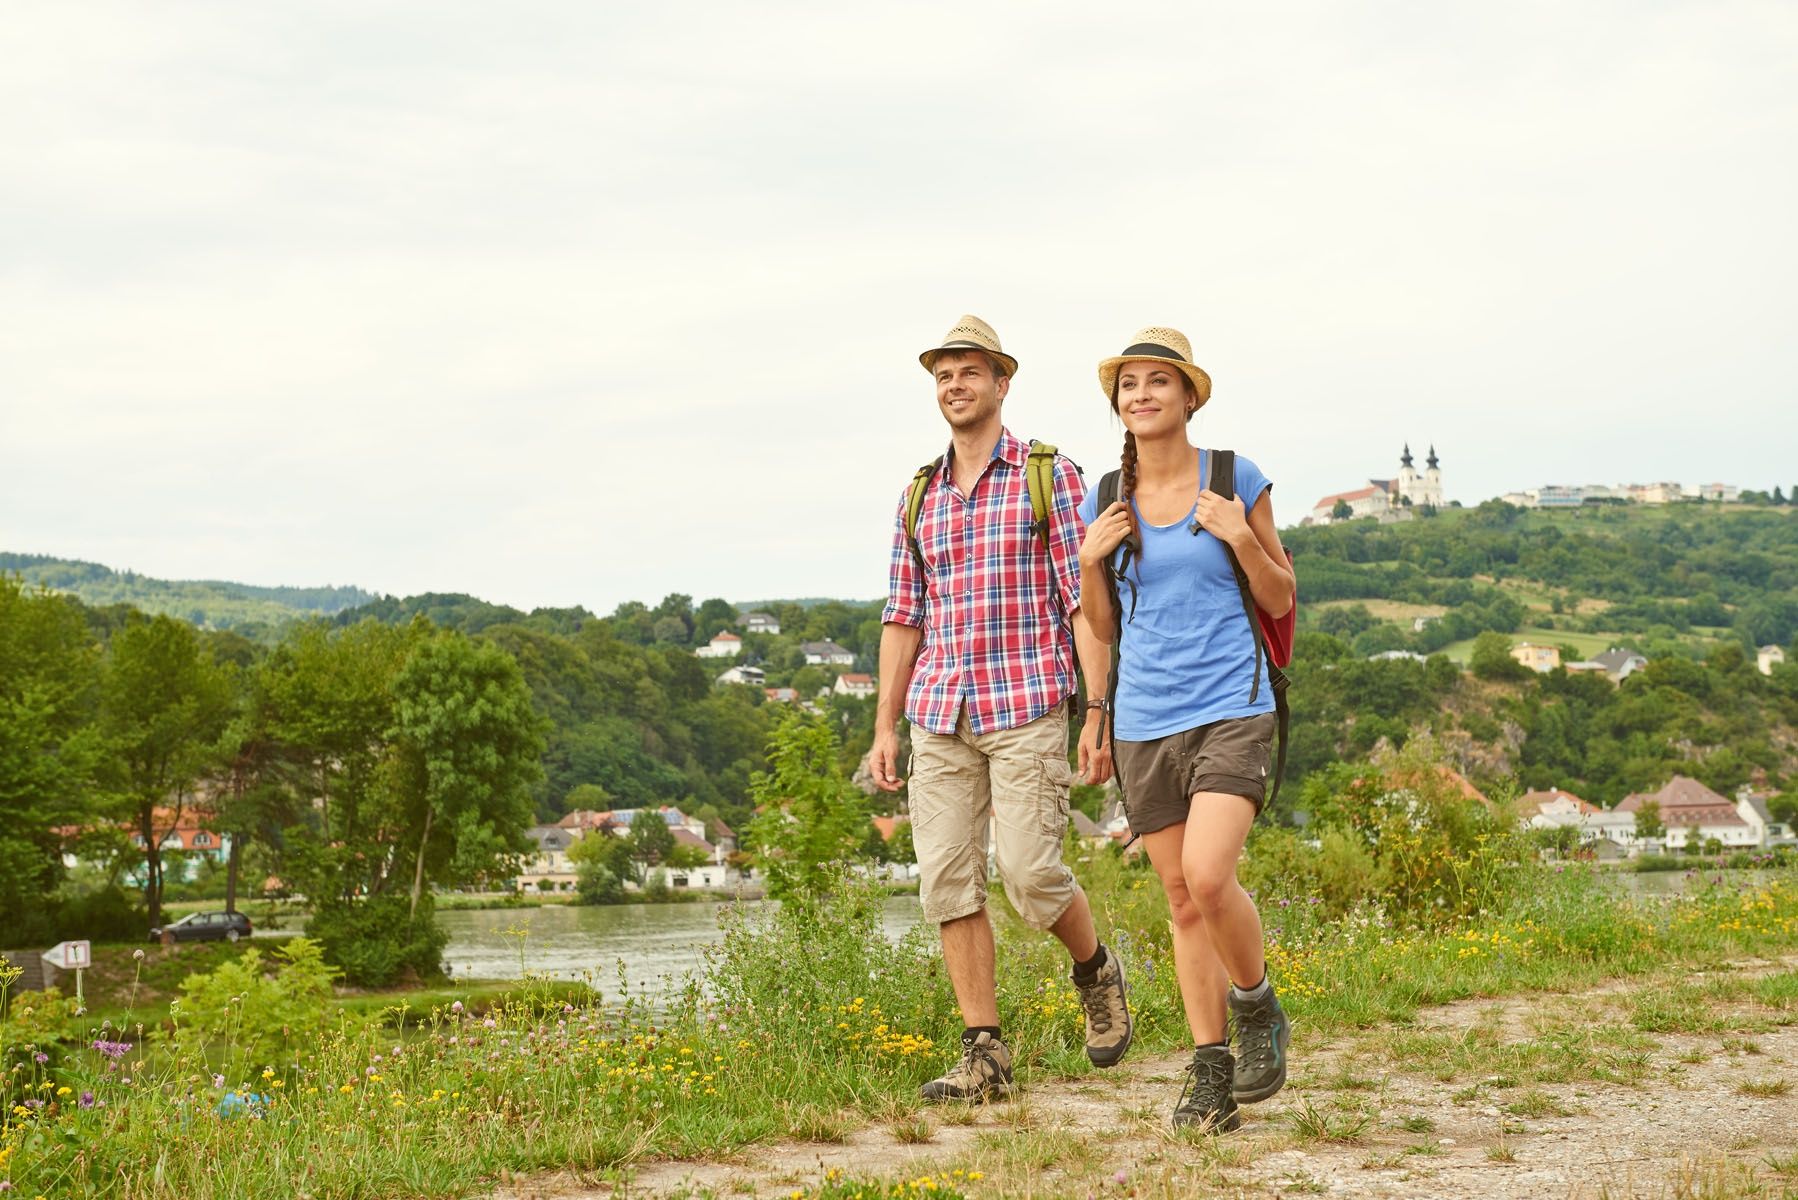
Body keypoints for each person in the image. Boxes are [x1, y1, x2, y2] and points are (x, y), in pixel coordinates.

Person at [873, 314, 1130, 1102]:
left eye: (969, 372)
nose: (955, 385)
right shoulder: (919, 494)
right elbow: (902, 616)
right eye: (943, 375)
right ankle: (984, 1055)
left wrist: (1097, 711)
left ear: (1001, 382)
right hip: (939, 713)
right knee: (948, 883)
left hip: (1026, 704)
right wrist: (884, 726)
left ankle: (1096, 970)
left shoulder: (1048, 476)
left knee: (1030, 875)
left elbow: (1085, 602)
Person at [1075, 326, 1297, 1131]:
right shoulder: (1107, 497)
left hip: (1232, 704)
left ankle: (1257, 1004)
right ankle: (1210, 1073)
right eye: (1128, 385)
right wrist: (1090, 563)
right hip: (1144, 719)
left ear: (1189, 396)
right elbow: (1102, 626)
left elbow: (1279, 595)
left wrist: (1239, 534)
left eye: (1157, 381)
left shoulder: (1235, 478)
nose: (1141, 395)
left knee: (1208, 875)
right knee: (1180, 898)